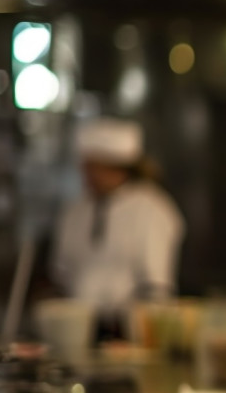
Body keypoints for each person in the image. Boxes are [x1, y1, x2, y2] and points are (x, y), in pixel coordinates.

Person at [51, 117, 185, 338]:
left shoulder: (152, 209)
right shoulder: (75, 211)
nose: (87, 174)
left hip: (128, 332)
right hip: (77, 329)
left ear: (116, 167)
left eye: (94, 167)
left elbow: (156, 287)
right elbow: (62, 274)